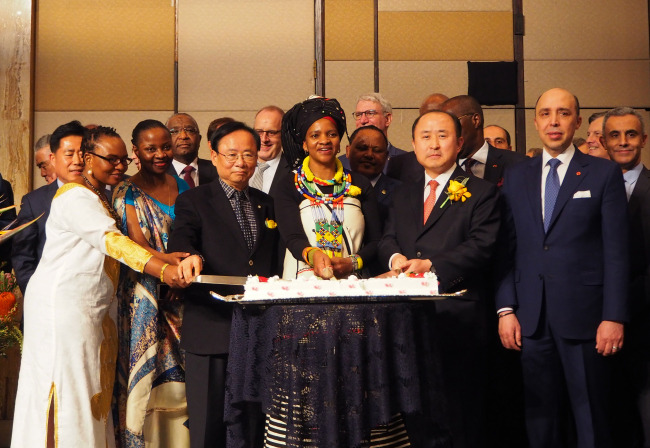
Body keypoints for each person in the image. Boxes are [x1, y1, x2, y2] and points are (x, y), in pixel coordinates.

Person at [11, 126, 187, 448]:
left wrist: (163, 258)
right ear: (88, 158)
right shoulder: (76, 195)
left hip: (86, 309)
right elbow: (112, 242)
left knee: (90, 392)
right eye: (112, 160)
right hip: (62, 309)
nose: (120, 167)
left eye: (123, 160)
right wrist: (164, 271)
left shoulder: (97, 195)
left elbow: (127, 244)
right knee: (67, 392)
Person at [496, 88, 629, 448]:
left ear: (579, 122)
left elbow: (617, 252)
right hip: (530, 318)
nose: (554, 121)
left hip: (587, 319)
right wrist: (505, 308)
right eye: (545, 113)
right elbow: (506, 248)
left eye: (563, 113)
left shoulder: (603, 174)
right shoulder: (516, 175)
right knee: (540, 420)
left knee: (591, 419)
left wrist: (614, 316)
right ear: (536, 120)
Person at [378, 110, 500, 448]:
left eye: (443, 135)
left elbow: (481, 246)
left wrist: (431, 265)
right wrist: (396, 258)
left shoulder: (481, 192)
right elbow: (387, 237)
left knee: (460, 416)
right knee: (415, 416)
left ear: (460, 142)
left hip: (458, 318)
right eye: (426, 136)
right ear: (414, 145)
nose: (434, 143)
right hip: (406, 320)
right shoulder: (401, 193)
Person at [169, 121, 281, 447]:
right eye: (231, 154)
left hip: (258, 329)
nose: (241, 162)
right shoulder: (194, 200)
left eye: (248, 154)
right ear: (214, 156)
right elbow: (183, 236)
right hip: (210, 328)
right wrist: (189, 256)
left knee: (255, 426)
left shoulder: (267, 202)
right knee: (208, 427)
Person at [112, 120, 191, 447]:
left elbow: (193, 232)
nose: (160, 154)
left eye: (165, 147)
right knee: (146, 373)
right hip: (145, 295)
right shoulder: (126, 191)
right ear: (136, 151)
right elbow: (136, 244)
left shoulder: (184, 186)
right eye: (150, 149)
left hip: (183, 295)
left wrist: (183, 272)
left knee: (183, 379)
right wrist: (170, 267)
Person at [276, 96, 381, 281]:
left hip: (351, 282)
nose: (324, 140)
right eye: (315, 135)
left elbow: (375, 241)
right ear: (304, 144)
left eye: (331, 134)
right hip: (302, 284)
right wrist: (313, 255)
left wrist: (353, 263)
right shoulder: (288, 184)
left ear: (339, 141)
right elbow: (292, 237)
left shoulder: (359, 183)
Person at [601, 107, 650, 447]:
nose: (623, 142)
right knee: (608, 407)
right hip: (598, 316)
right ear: (603, 142)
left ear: (643, 139)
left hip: (647, 317)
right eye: (615, 135)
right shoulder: (587, 188)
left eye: (630, 134)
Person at [12, 120, 86, 294]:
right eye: (69, 154)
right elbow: (23, 257)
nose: (77, 161)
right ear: (54, 157)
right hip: (46, 300)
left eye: (82, 153)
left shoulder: (103, 196)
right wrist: (36, 296)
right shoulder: (34, 201)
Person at [442, 95, 525, 185]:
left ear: (476, 120)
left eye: (454, 123)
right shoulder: (442, 167)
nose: (449, 131)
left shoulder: (518, 164)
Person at [339, 93, 406, 174]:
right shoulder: (340, 164)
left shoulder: (406, 162)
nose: (363, 120)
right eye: (358, 115)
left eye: (370, 113)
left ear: (387, 119)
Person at [166, 113, 218, 187]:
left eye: (190, 130)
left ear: (199, 139)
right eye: (175, 131)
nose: (183, 136)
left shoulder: (218, 171)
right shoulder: (158, 175)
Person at [251, 106, 291, 197]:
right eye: (259, 132)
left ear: (283, 135)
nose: (264, 139)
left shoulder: (295, 171)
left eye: (271, 132)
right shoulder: (239, 166)